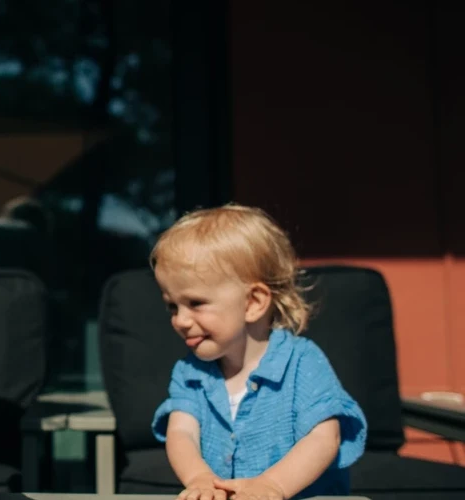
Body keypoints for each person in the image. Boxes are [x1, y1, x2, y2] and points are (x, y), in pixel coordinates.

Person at [149, 204, 367, 500]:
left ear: (253, 302)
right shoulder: (190, 373)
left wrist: (273, 486)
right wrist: (200, 478)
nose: (180, 320)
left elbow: (324, 437)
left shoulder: (301, 362)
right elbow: (181, 433)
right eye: (172, 306)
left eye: (196, 303)